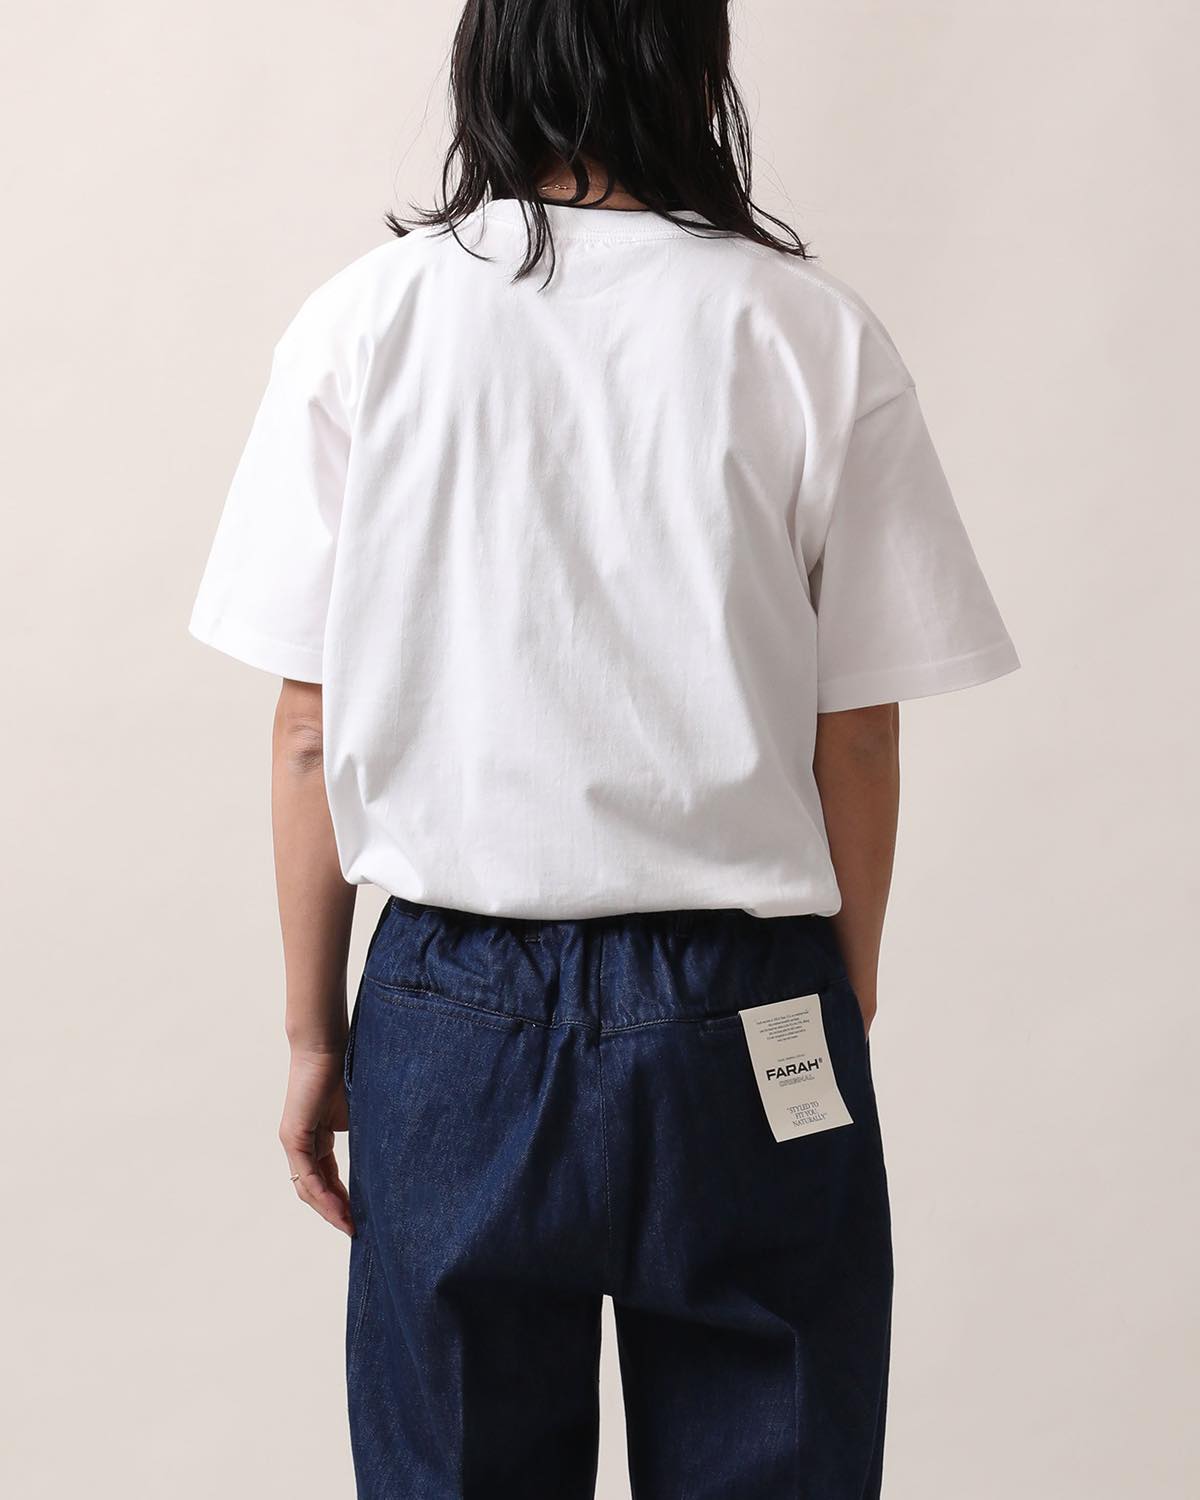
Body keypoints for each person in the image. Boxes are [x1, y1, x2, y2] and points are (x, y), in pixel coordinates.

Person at [188, 1, 1019, 1495]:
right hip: (744, 995)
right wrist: (832, 993)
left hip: (449, 1020)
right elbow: (858, 732)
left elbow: (308, 732)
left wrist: (316, 1040)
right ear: (695, 65)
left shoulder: (363, 325)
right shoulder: (805, 330)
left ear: (491, 58)